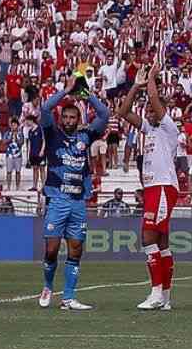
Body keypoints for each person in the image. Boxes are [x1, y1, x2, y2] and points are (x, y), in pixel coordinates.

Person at [38, 75, 110, 311]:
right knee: (51, 250)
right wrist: (66, 89)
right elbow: (45, 108)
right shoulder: (52, 134)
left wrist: (86, 95)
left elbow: (104, 115)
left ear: (78, 119)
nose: (68, 120)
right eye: (65, 116)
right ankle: (48, 285)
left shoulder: (86, 135)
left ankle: (69, 298)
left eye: (72, 116)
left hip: (78, 201)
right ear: (61, 118)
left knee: (76, 250)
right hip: (57, 200)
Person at [117, 65, 182, 310]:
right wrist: (135, 86)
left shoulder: (169, 129)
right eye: (148, 111)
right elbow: (123, 112)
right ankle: (164, 297)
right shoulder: (150, 130)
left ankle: (155, 293)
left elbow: (154, 99)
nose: (150, 113)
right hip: (154, 188)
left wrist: (152, 78)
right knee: (162, 242)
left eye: (154, 111)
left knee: (147, 236)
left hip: (163, 187)